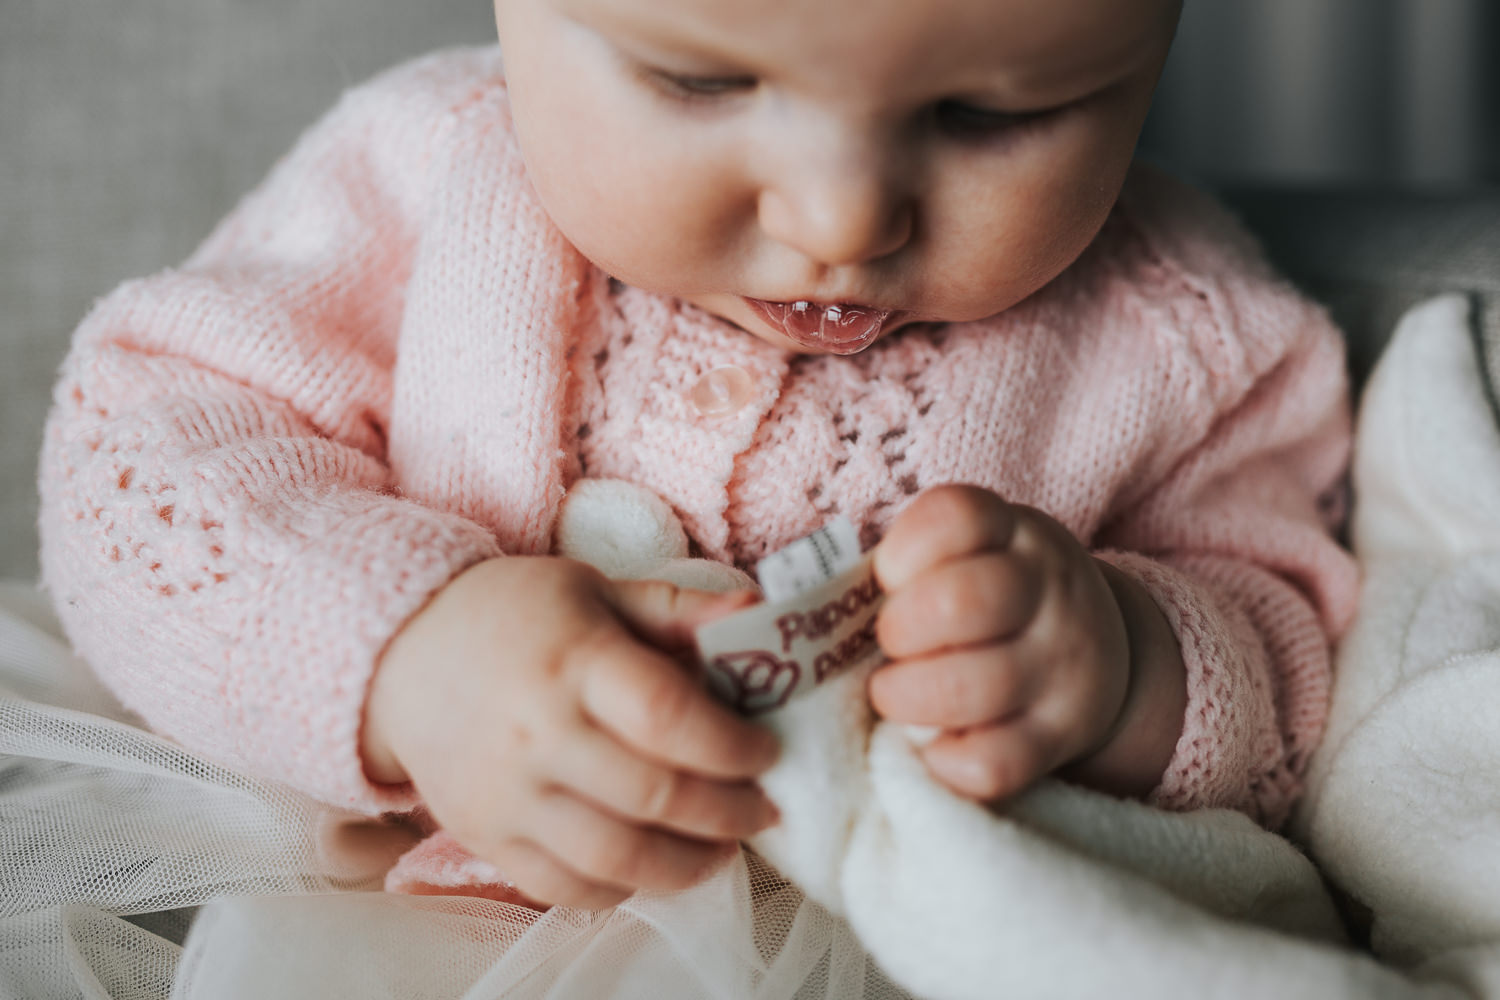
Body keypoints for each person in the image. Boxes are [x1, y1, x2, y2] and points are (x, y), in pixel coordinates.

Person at [36, 0, 1357, 914]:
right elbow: (135, 460)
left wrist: (1120, 669)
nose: (841, 218)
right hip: (398, 920)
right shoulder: (432, 178)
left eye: (987, 113)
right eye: (701, 80)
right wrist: (406, 656)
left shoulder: (1185, 335)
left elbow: (1297, 678)